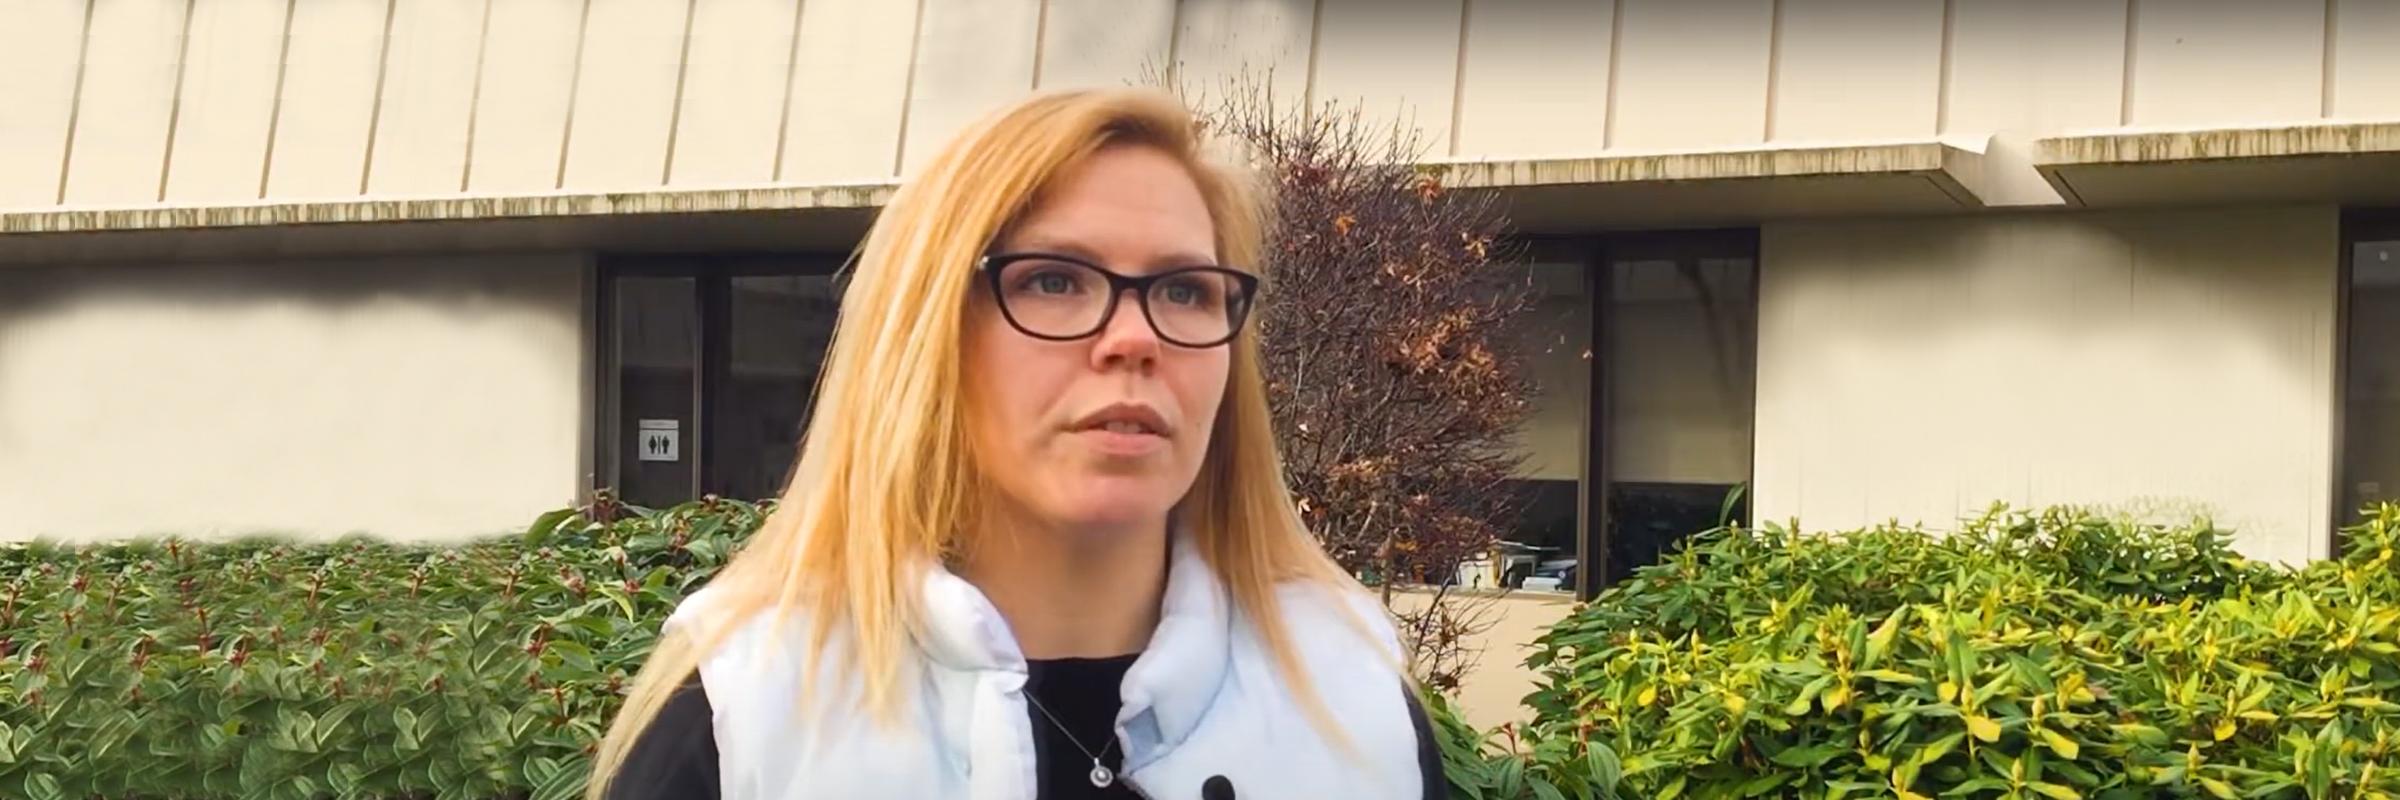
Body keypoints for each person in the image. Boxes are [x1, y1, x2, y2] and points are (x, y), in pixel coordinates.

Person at [586, 88, 1446, 800]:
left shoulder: (1351, 698)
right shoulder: (748, 709)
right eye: (1054, 280)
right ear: (928, 338)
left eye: (1185, 289)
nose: (1133, 338)